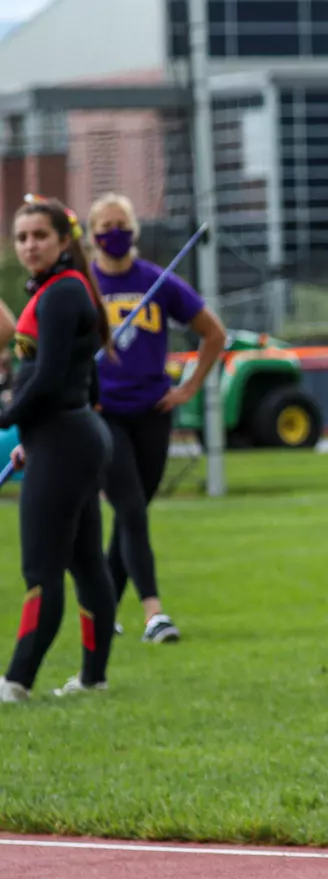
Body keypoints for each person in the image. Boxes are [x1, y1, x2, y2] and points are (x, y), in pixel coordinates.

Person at [87, 194, 227, 644]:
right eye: (105, 226)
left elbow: (213, 333)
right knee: (130, 509)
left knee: (132, 515)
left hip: (152, 412)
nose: (114, 233)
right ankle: (154, 613)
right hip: (104, 414)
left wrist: (188, 387)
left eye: (121, 224)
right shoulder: (83, 286)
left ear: (134, 230)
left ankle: (101, 612)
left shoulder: (157, 281)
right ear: (91, 236)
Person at [0, 196, 118, 703]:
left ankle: (16, 682)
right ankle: (93, 678)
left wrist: (7, 420)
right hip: (64, 438)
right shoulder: (58, 290)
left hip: (66, 440)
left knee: (41, 568)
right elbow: (79, 379)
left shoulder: (63, 292)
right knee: (85, 562)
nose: (30, 246)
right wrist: (32, 438)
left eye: (40, 236)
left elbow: (47, 379)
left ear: (64, 240)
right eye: (22, 237)